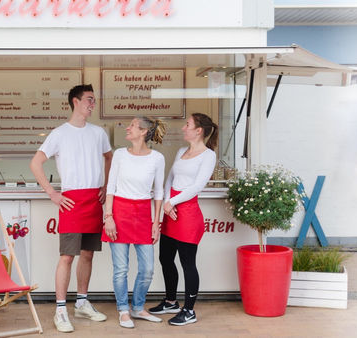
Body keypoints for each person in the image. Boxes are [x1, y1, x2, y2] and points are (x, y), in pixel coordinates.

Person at [30, 84, 113, 333]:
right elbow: (35, 163)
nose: (92, 104)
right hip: (72, 200)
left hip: (94, 200)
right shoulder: (59, 134)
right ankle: (60, 310)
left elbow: (110, 157)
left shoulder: (98, 133)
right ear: (75, 101)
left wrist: (106, 185)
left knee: (87, 254)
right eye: (89, 99)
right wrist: (52, 193)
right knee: (67, 256)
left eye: (94, 100)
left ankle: (82, 303)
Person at [148, 113, 218, 326]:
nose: (183, 128)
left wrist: (173, 202)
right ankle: (171, 302)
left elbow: (197, 186)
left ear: (199, 130)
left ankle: (188, 311)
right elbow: (170, 178)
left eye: (187, 124)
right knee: (165, 258)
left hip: (187, 214)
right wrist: (168, 203)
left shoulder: (208, 155)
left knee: (188, 263)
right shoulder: (181, 151)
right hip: (172, 211)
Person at [102, 116, 166, 328]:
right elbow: (110, 187)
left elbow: (158, 192)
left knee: (147, 268)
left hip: (142, 214)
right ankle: (123, 310)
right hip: (119, 213)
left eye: (132, 126)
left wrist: (156, 224)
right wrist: (108, 217)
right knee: (121, 269)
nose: (127, 128)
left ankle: (137, 308)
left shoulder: (157, 158)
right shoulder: (120, 154)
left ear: (143, 132)